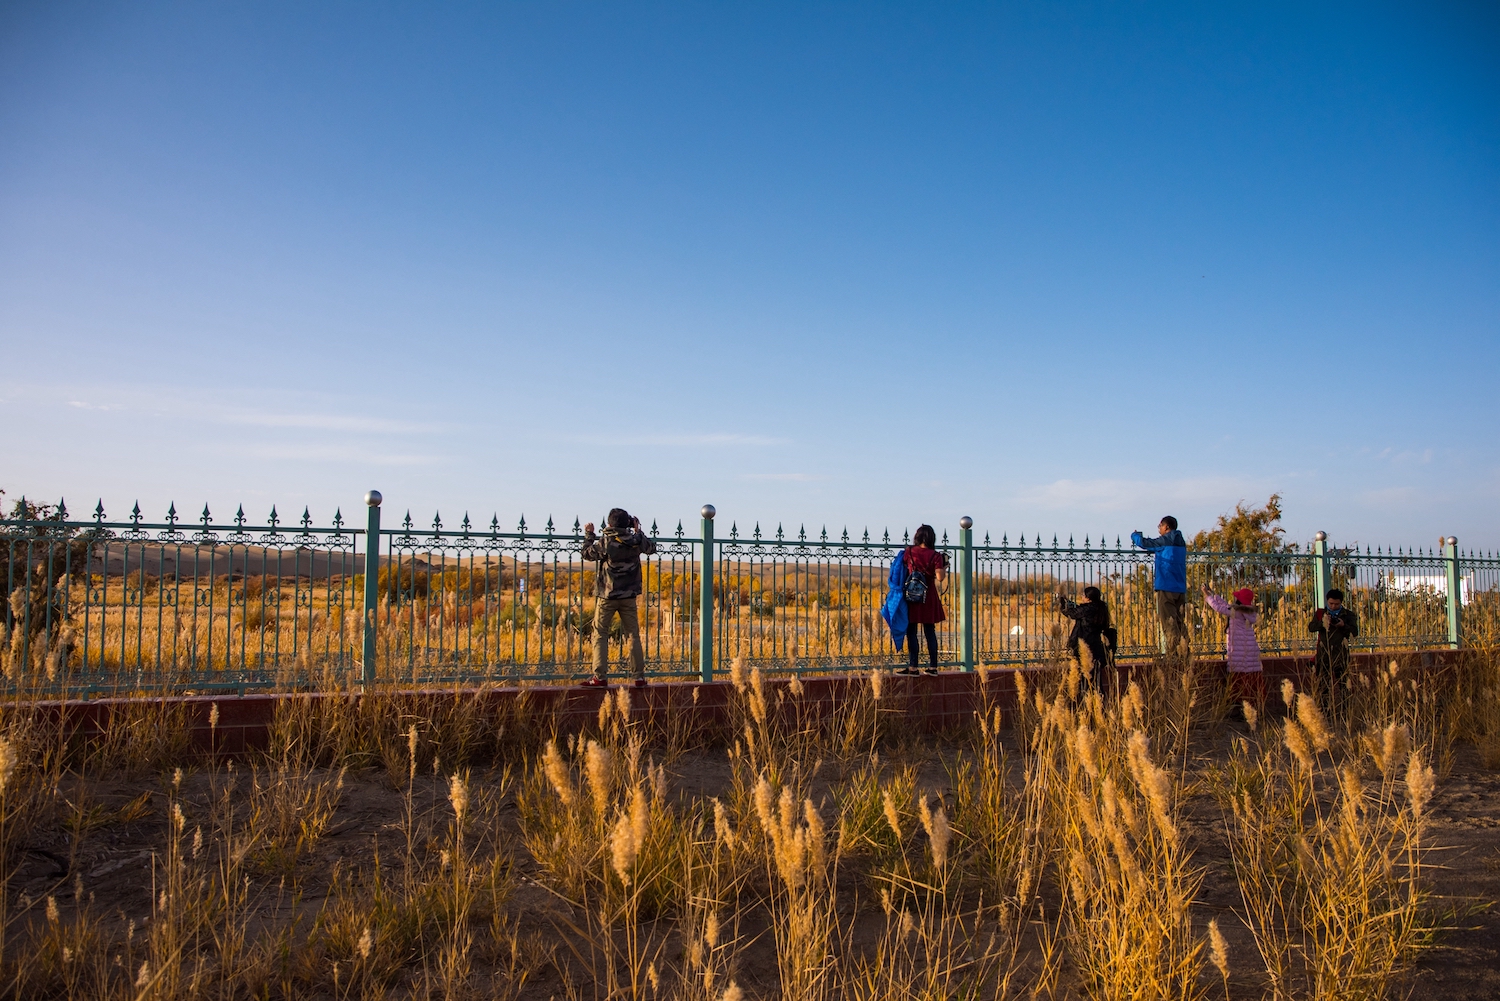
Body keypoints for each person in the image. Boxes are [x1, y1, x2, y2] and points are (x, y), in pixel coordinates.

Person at [580, 508, 657, 688]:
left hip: (607, 595)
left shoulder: (606, 541)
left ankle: (600, 677)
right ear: (628, 523)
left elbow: (587, 554)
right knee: (633, 636)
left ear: (609, 523)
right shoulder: (636, 540)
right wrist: (639, 531)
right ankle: (638, 677)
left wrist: (589, 535)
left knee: (600, 634)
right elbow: (651, 548)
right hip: (629, 596)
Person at [1131, 516, 1189, 659]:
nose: (1159, 530)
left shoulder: (1164, 540)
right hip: (1180, 587)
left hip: (1166, 587)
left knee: (1169, 623)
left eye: (1160, 526)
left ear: (1166, 527)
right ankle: (1185, 652)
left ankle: (1172, 655)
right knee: (1180, 622)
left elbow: (1145, 543)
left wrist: (1135, 535)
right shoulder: (1181, 542)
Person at [897, 524, 948, 676]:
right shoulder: (936, 555)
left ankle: (913, 667)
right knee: (929, 631)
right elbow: (940, 577)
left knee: (911, 631)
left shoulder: (909, 551)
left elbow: (903, 568)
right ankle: (933, 667)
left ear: (917, 537)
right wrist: (945, 567)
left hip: (912, 595)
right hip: (928, 595)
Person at [1203, 584, 1264, 710]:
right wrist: (1213, 592)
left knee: (1239, 681)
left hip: (1239, 652)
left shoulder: (1236, 612)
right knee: (1251, 682)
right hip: (1250, 650)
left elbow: (1219, 608)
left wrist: (1207, 596)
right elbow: (1225, 605)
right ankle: (1252, 709)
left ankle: (1240, 710)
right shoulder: (1246, 611)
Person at [1058, 586, 1112, 694]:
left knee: (1084, 679)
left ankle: (1086, 704)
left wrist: (1062, 603)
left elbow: (1072, 613)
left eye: (1083, 595)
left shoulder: (1088, 609)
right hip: (1096, 648)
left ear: (1088, 598)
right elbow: (1078, 609)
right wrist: (1068, 602)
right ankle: (1099, 704)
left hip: (1085, 648)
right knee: (1096, 680)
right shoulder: (1101, 607)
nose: (1082, 596)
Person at [1309, 588, 1359, 703]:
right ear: (1327, 602)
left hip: (1341, 654)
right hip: (1324, 655)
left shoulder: (1348, 615)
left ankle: (1345, 712)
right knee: (1323, 686)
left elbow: (1354, 632)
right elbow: (1311, 628)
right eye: (1331, 603)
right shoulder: (1321, 613)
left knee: (1344, 686)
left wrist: (1343, 625)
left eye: (1336, 604)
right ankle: (1324, 712)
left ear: (1341, 603)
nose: (1333, 606)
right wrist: (1323, 623)